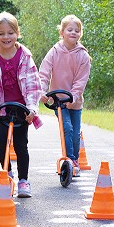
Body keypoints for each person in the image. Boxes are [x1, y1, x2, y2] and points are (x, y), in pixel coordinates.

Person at [0, 11, 43, 198]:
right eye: (1, 33)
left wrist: (32, 108)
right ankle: (6, 173)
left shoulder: (25, 56)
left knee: (21, 145)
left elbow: (33, 84)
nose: (6, 37)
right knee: (0, 142)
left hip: (21, 109)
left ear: (17, 33)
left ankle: (23, 180)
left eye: (10, 33)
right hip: (0, 108)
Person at [39, 15, 91, 177]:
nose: (73, 33)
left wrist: (73, 98)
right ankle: (70, 160)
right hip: (57, 100)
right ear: (62, 32)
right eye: (69, 30)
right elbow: (44, 73)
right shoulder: (54, 52)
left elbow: (80, 81)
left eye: (77, 30)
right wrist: (41, 91)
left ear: (80, 34)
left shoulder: (83, 56)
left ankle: (73, 160)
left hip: (74, 102)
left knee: (75, 133)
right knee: (67, 128)